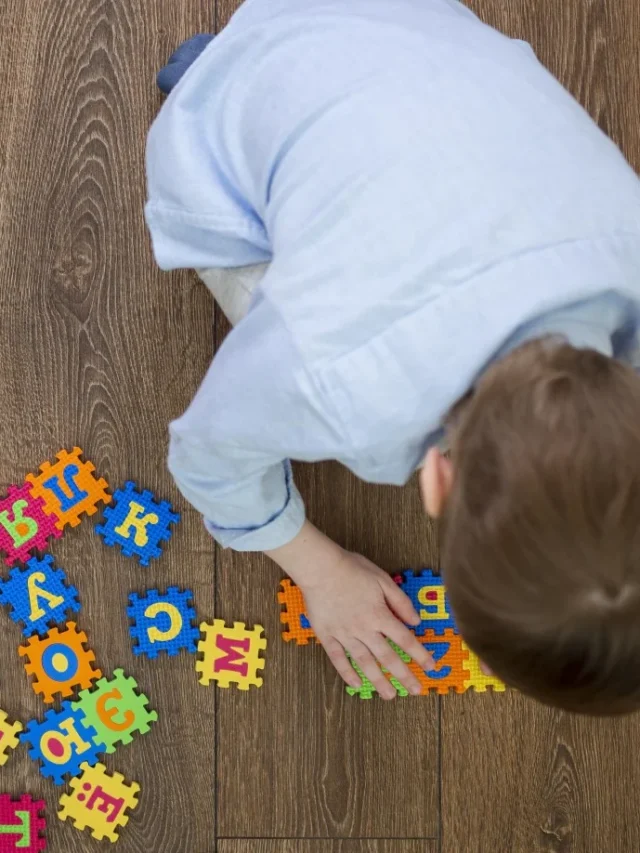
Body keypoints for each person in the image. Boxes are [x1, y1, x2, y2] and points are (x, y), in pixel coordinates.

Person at [145, 0, 640, 712]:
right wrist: (319, 569)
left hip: (408, 22)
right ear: (436, 478)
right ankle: (202, 80)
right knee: (262, 293)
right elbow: (207, 455)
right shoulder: (333, 373)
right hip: (229, 118)